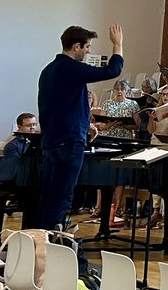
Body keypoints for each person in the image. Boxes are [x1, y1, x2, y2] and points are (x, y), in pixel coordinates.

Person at [36, 24, 124, 230]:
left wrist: (86, 125)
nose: (88, 51)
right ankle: (51, 247)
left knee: (48, 196)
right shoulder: (70, 67)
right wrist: (118, 45)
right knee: (61, 199)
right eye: (87, 47)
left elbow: (62, 106)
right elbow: (113, 70)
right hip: (68, 143)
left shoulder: (48, 70)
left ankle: (38, 243)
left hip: (52, 141)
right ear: (76, 46)